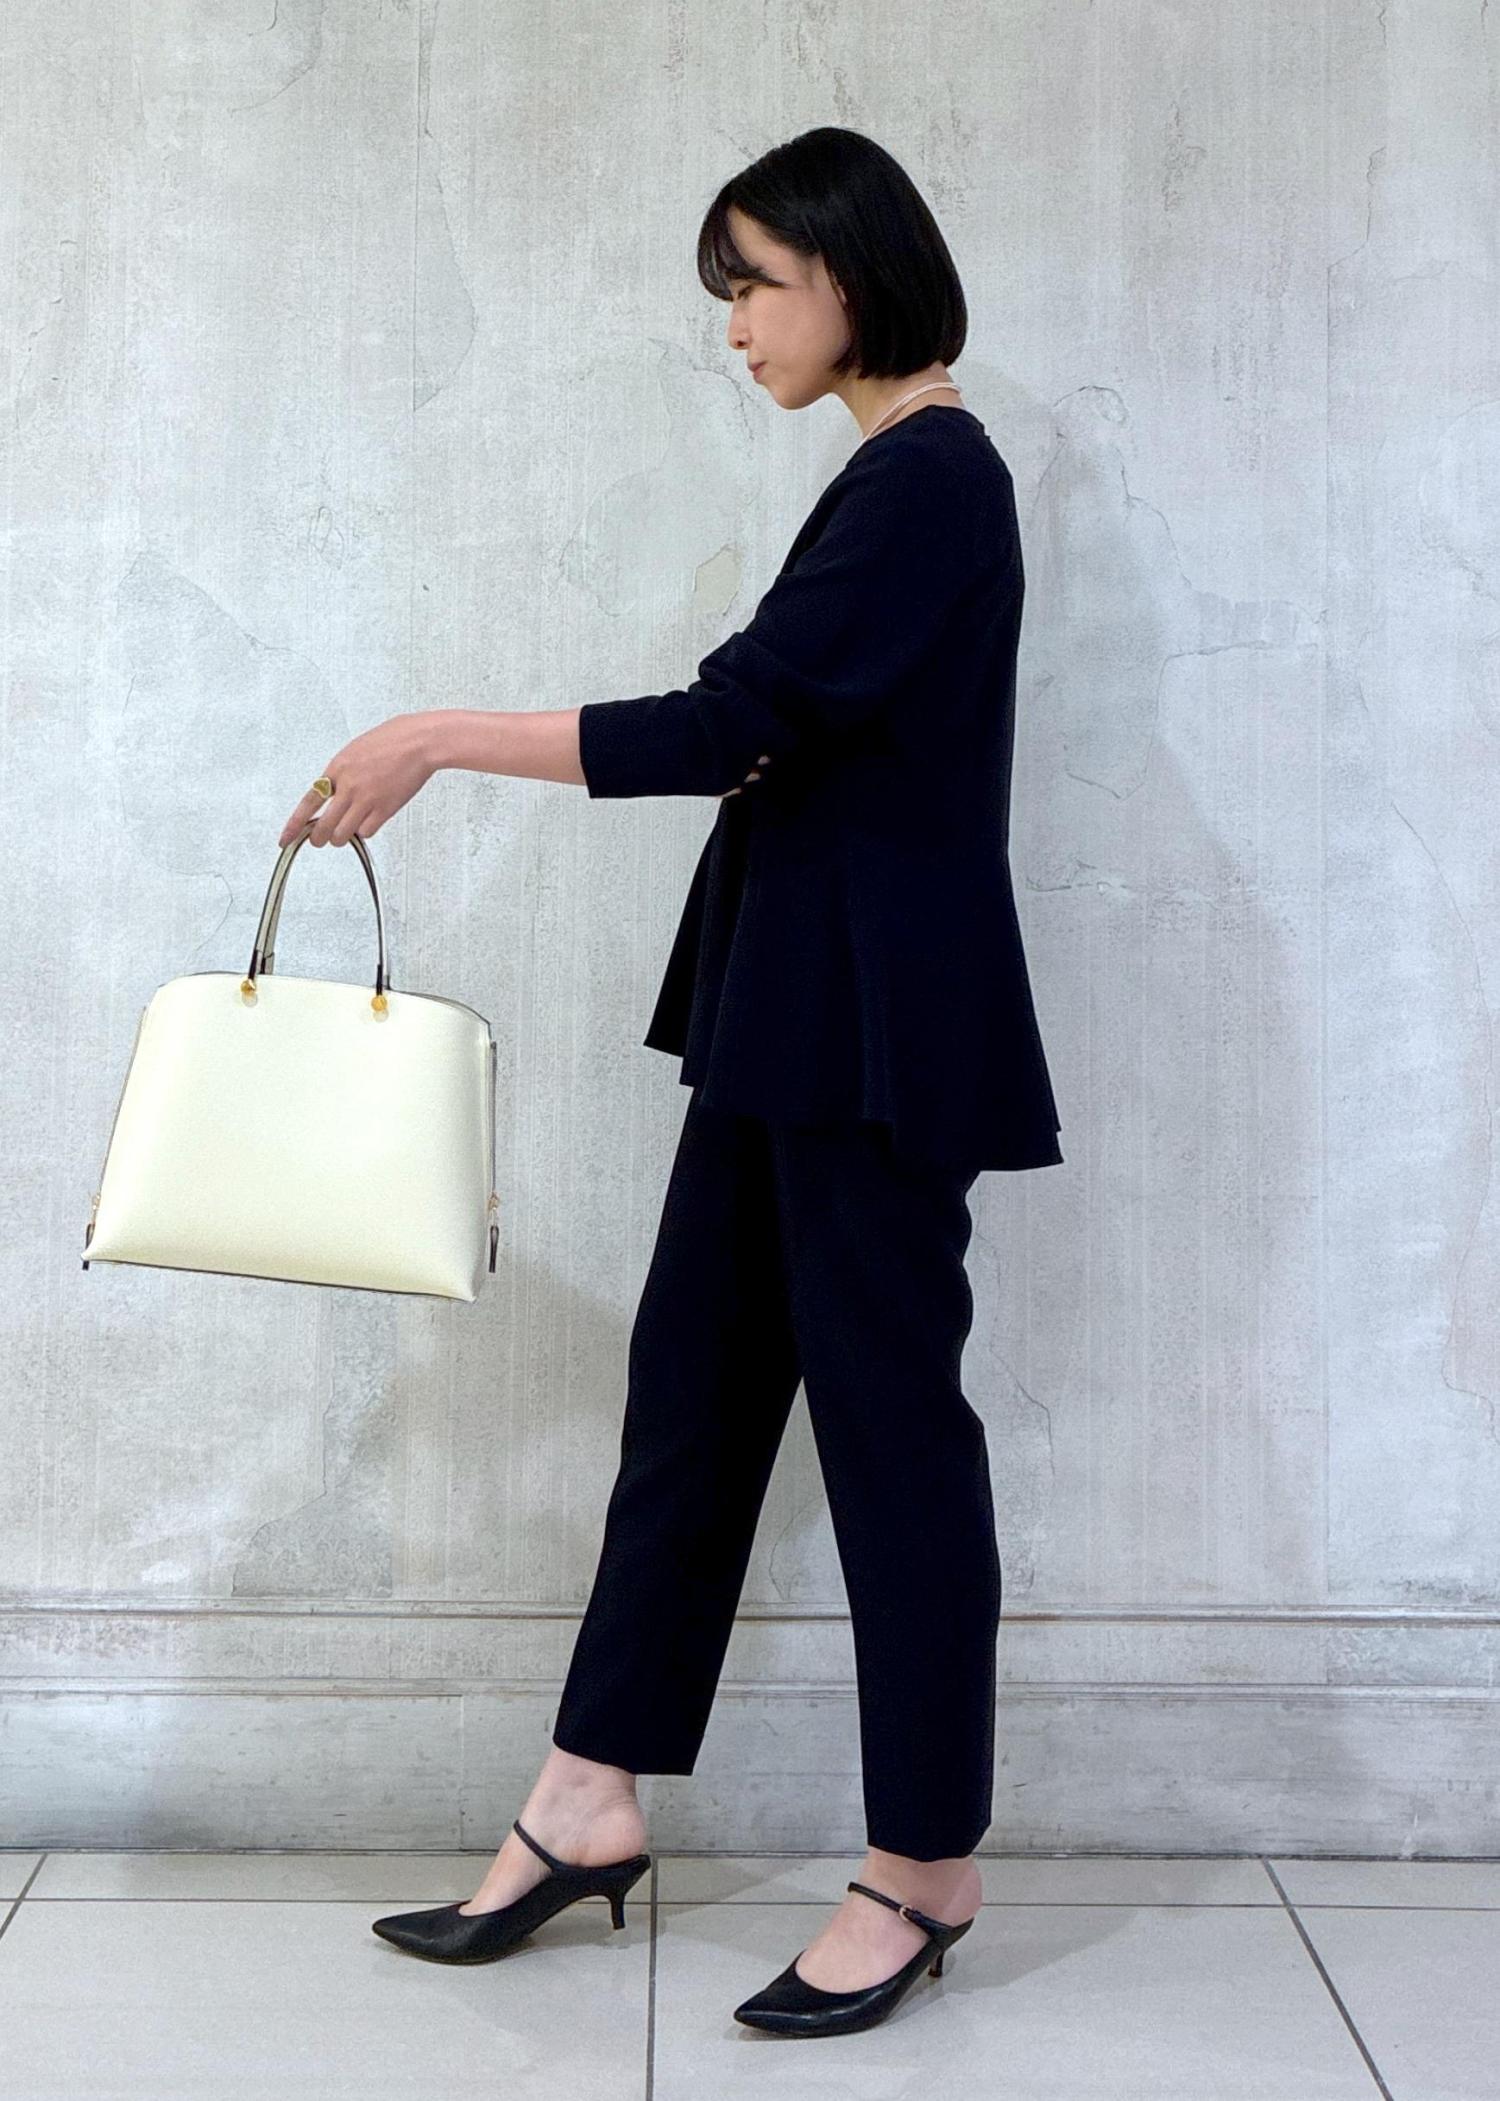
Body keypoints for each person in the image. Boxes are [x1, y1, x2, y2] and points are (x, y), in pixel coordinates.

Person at [280, 126, 1063, 2040]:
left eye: (756, 286)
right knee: (693, 1404)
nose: (734, 328)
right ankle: (586, 1796)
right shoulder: (889, 474)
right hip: (789, 1019)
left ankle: (926, 1863)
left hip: (871, 1042)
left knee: (891, 1439)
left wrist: (436, 735)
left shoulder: (934, 478)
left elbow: (733, 725)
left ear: (852, 276)